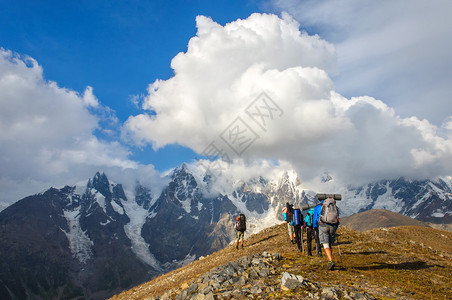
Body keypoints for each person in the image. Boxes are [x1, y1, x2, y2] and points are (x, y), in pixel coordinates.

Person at [317, 195, 340, 270]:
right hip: (332, 227)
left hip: (323, 226)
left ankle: (330, 260)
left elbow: (316, 217)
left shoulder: (320, 207)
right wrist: (335, 227)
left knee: (326, 245)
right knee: (330, 244)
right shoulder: (335, 207)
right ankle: (330, 258)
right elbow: (337, 218)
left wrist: (315, 226)